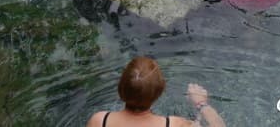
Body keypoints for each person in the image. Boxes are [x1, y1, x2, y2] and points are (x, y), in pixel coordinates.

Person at [85, 56, 225, 127]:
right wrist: (202, 104)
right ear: (160, 91)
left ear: (120, 88)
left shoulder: (99, 121)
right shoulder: (173, 124)